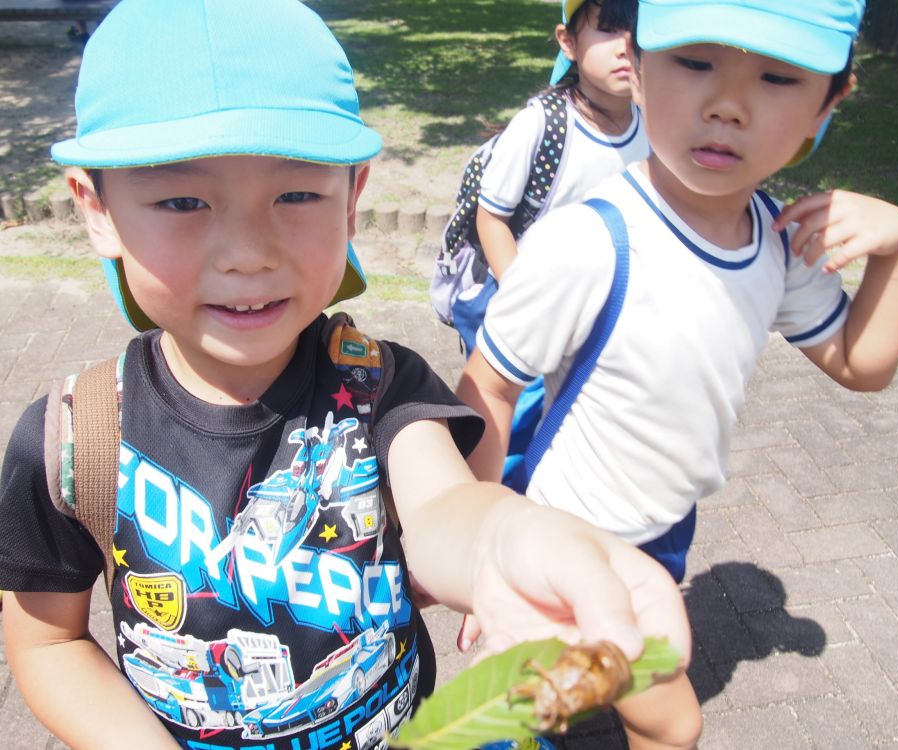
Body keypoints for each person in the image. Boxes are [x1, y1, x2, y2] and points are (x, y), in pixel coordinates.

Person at [0, 2, 693, 749]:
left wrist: (506, 540)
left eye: (296, 193)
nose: (247, 252)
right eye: (182, 200)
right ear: (95, 207)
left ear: (354, 195)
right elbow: (48, 643)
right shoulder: (75, 441)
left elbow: (443, 508)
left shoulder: (378, 390)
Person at [457, 0, 898, 747]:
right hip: (569, 534)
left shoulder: (775, 243)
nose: (728, 106)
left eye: (777, 76)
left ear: (828, 104)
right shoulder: (589, 239)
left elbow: (861, 366)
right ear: (638, 71)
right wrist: (483, 547)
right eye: (696, 62)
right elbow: (490, 386)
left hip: (664, 525)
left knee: (547, 709)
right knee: (655, 723)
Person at [452, 0, 649, 354]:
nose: (626, 46)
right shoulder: (541, 125)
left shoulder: (655, 126)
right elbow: (492, 218)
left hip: (610, 322)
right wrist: (523, 303)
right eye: (608, 28)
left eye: (638, 31)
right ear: (568, 41)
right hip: (532, 322)